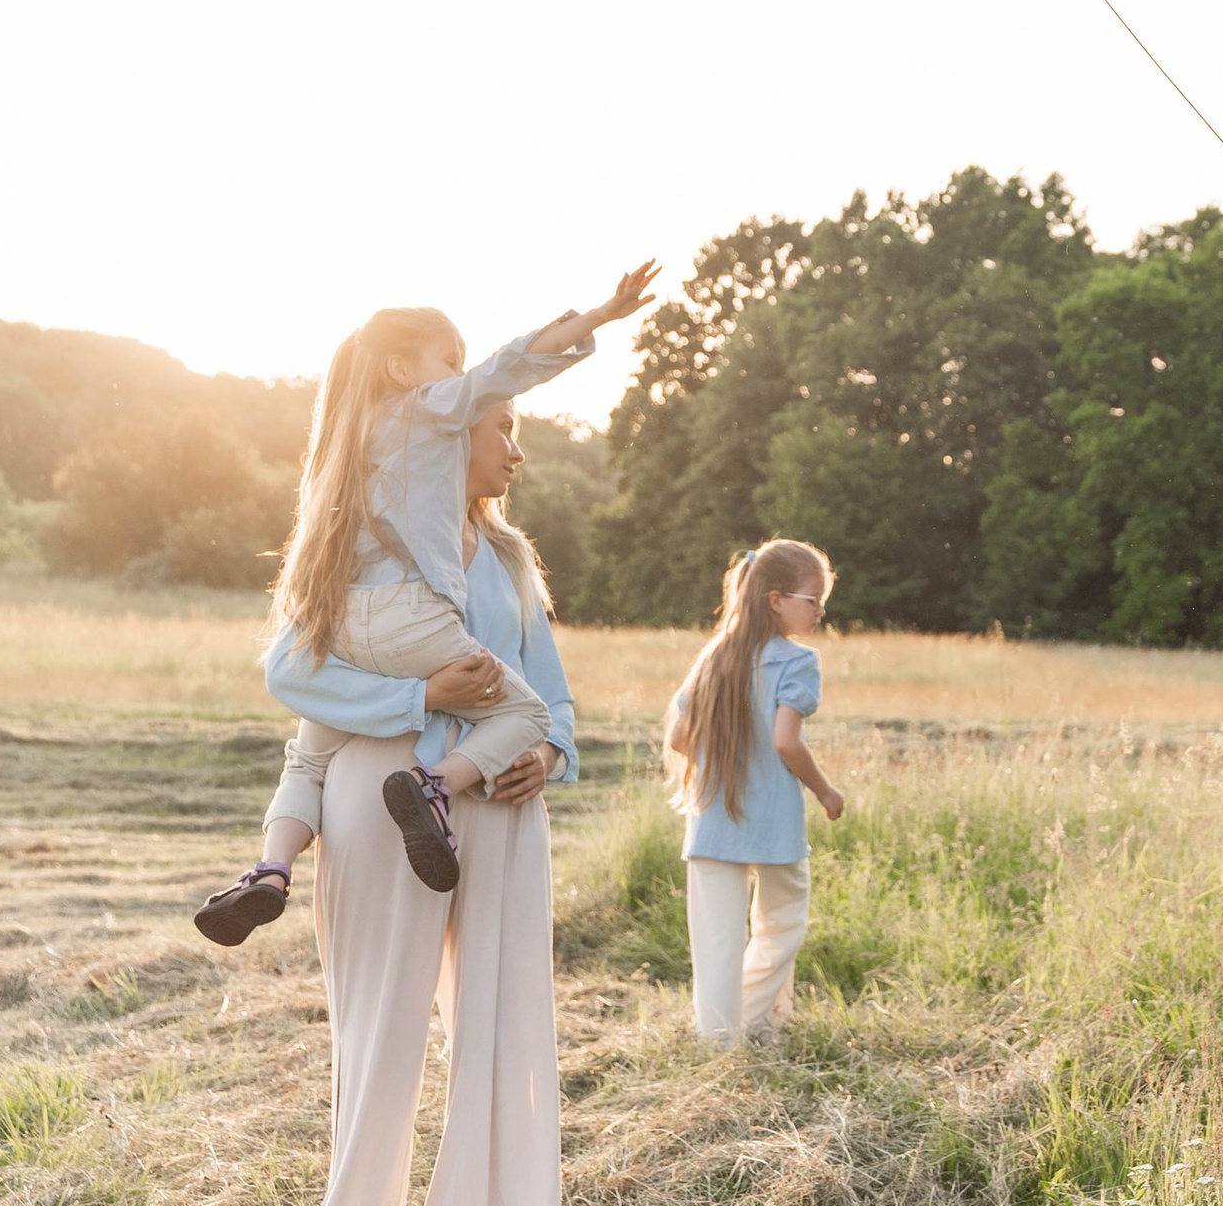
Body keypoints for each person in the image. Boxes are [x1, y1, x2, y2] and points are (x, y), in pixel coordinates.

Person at [236, 389, 575, 1206]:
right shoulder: (364, 547)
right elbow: (304, 675)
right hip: (379, 798)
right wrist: (418, 693)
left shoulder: (509, 557)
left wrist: (547, 756)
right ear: (442, 433)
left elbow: (552, 695)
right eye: (502, 426)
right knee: (380, 1028)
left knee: (503, 1027)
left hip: (501, 809)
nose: (516, 447)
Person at [193, 266, 654, 945]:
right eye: (449, 362)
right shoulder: (426, 409)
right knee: (521, 712)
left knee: (308, 753)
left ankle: (270, 868)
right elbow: (510, 367)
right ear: (401, 366)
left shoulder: (354, 444)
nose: (460, 379)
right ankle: (433, 787)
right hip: (413, 619)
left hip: (356, 621)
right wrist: (597, 317)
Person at [665, 541, 845, 1045]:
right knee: (782, 923)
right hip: (773, 825)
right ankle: (752, 1019)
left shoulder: (714, 658)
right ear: (776, 600)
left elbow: (679, 739)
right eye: (813, 599)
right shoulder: (799, 661)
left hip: (712, 820)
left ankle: (722, 1039)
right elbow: (786, 742)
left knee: (717, 941)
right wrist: (826, 791)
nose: (821, 611)